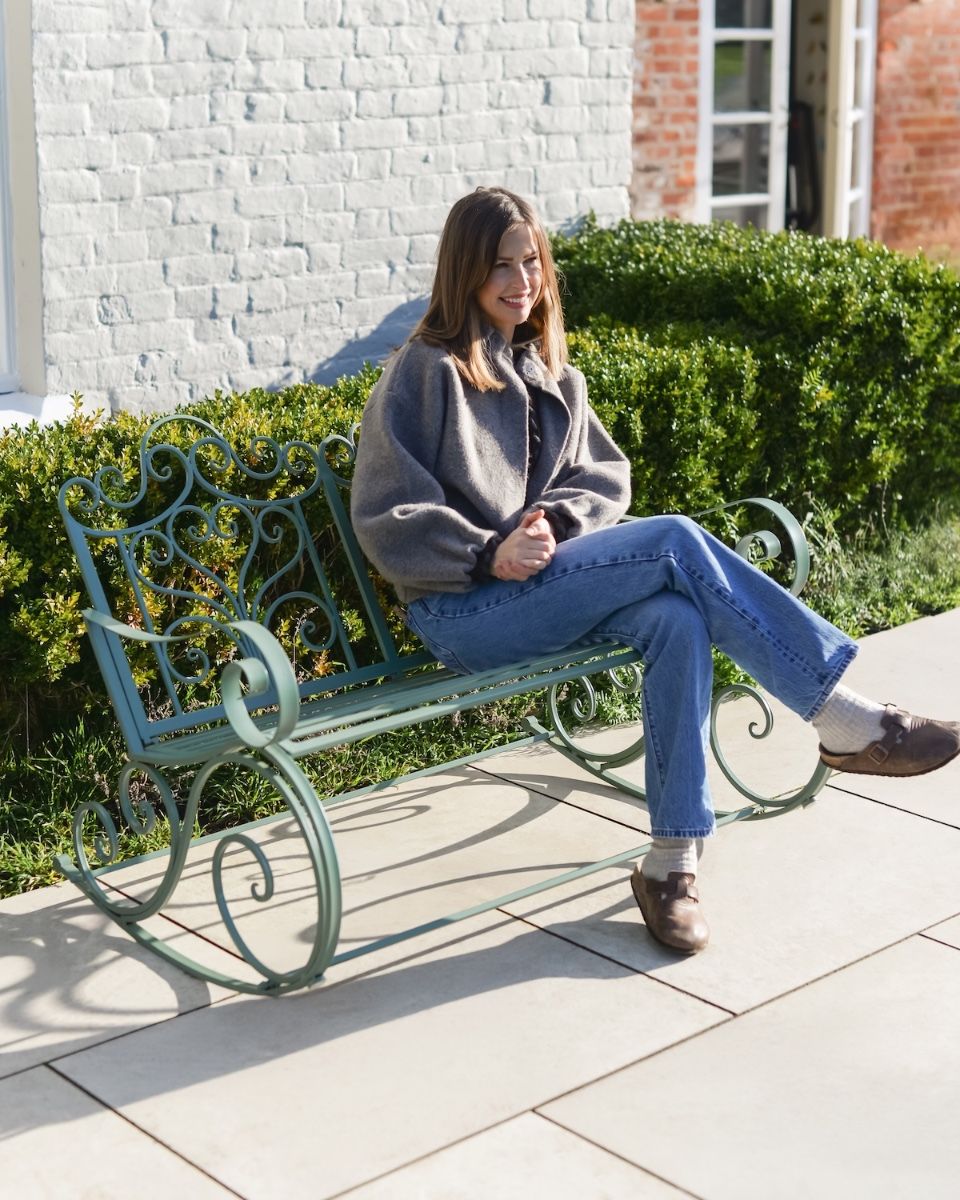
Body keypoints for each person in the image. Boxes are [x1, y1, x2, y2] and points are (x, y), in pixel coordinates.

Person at [350, 186, 960, 954]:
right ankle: (845, 718)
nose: (520, 279)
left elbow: (605, 478)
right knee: (672, 540)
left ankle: (670, 866)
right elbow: (383, 515)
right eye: (499, 265)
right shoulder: (425, 371)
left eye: (530, 260)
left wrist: (556, 522)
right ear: (463, 272)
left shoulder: (551, 375)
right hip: (463, 612)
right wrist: (485, 551)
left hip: (543, 591)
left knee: (674, 621)